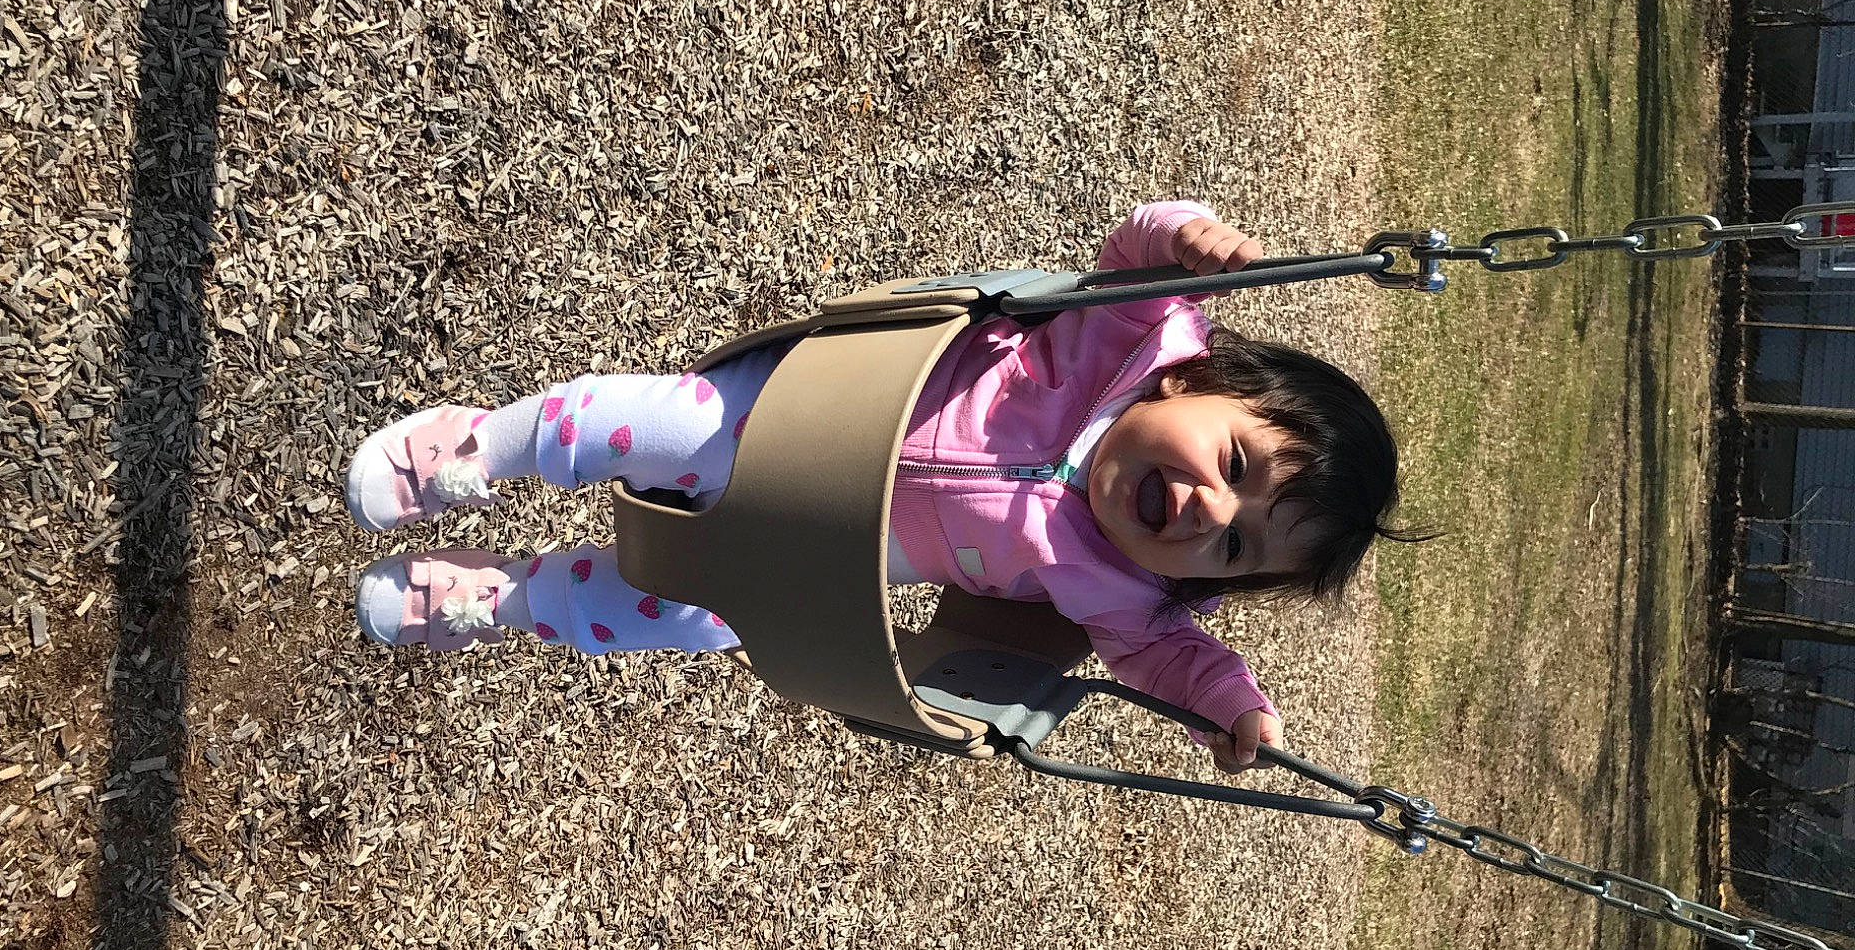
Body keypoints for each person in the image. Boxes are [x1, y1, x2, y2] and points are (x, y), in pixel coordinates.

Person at [345, 203, 1407, 773]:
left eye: (1232, 547)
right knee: (664, 425)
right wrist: (1189, 241)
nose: (1207, 512)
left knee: (695, 616)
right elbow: (1133, 249)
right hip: (803, 408)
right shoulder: (1128, 337)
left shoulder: (1128, 598)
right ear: (1196, 379)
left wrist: (1235, 710)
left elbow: (1176, 660)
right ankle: (486, 447)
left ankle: (505, 599)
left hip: (828, 546)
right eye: (1230, 463)